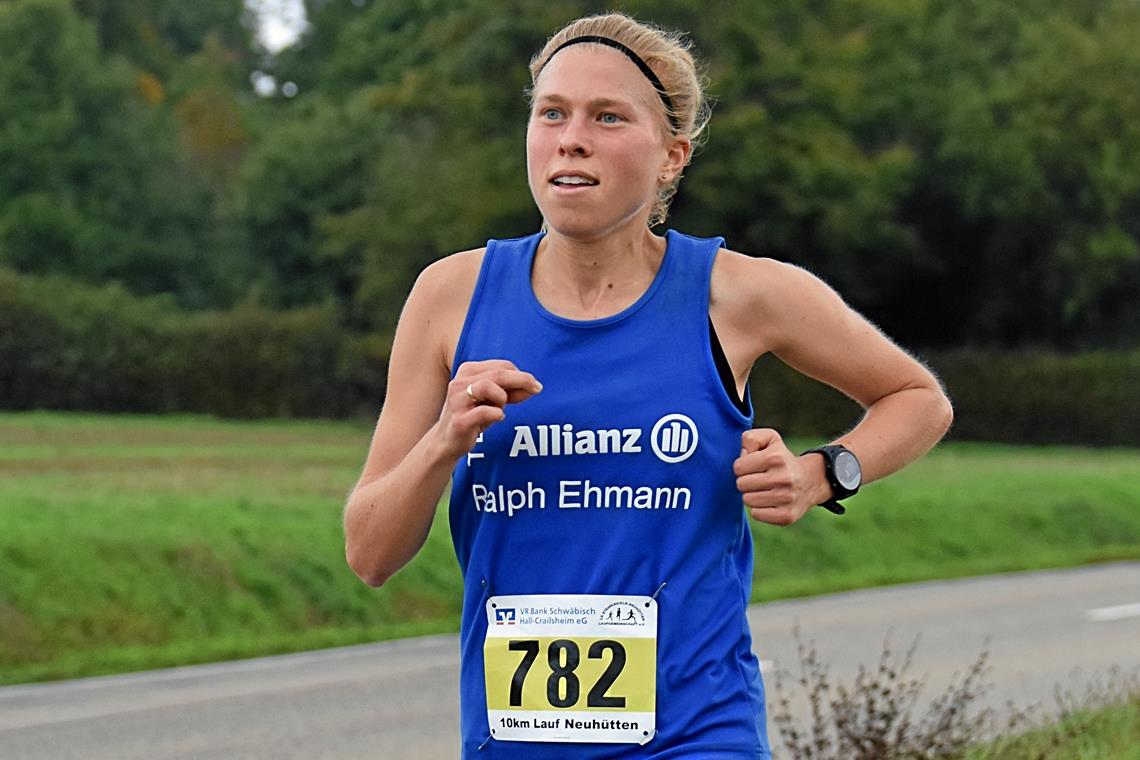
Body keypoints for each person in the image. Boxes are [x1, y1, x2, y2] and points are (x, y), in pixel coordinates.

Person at [343, 11, 953, 759]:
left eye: (607, 117)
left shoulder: (737, 295)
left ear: (671, 156)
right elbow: (369, 553)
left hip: (698, 733)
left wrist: (821, 474)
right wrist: (443, 440)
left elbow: (918, 399)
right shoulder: (451, 297)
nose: (571, 137)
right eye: (552, 114)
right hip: (514, 740)